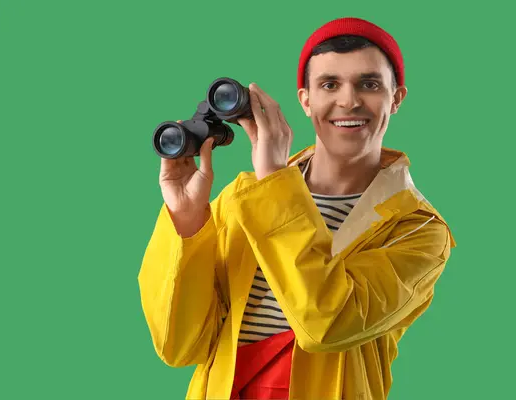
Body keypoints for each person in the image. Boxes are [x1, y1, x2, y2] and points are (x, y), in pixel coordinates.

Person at [138, 16, 457, 400]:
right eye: (329, 84)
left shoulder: (418, 231)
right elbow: (179, 347)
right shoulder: (243, 198)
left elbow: (326, 324)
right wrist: (188, 223)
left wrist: (274, 178)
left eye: (369, 84)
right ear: (305, 99)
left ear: (396, 98)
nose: (348, 100)